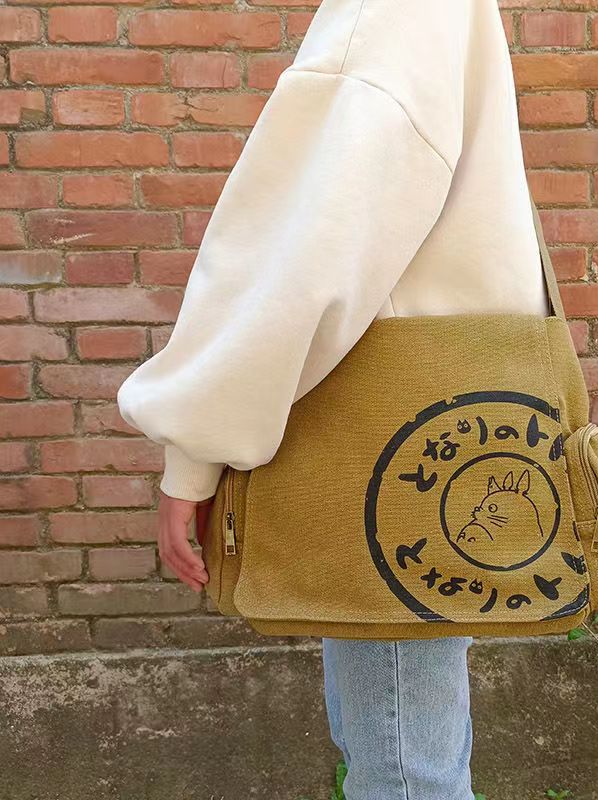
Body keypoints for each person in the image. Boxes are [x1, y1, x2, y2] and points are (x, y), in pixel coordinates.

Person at [116, 1, 552, 797]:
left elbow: (303, 263)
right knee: (406, 754)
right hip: (430, 432)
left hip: (388, 462)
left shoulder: (393, 14)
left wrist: (195, 452)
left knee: (404, 773)